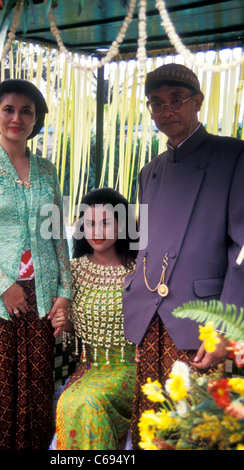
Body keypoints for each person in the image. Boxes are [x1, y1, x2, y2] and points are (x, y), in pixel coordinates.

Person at [122, 63, 244, 448]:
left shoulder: (234, 156)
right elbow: (146, 243)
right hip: (149, 320)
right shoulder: (149, 171)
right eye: (156, 104)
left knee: (196, 426)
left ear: (198, 102)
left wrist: (225, 325)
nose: (166, 111)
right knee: (153, 422)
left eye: (176, 101)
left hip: (201, 321)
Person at [0, 79, 71, 450]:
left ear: (37, 119)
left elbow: (57, 237)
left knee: (38, 390)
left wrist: (65, 293)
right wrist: (5, 285)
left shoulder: (47, 170)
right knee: (4, 394)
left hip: (42, 295)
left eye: (27, 111)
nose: (17, 118)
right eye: (9, 109)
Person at [49, 188, 138, 450]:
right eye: (89, 223)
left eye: (105, 222)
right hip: (90, 367)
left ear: (122, 225)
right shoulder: (72, 271)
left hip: (131, 368)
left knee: (89, 401)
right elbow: (72, 334)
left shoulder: (142, 269)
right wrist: (64, 325)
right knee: (69, 402)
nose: (96, 231)